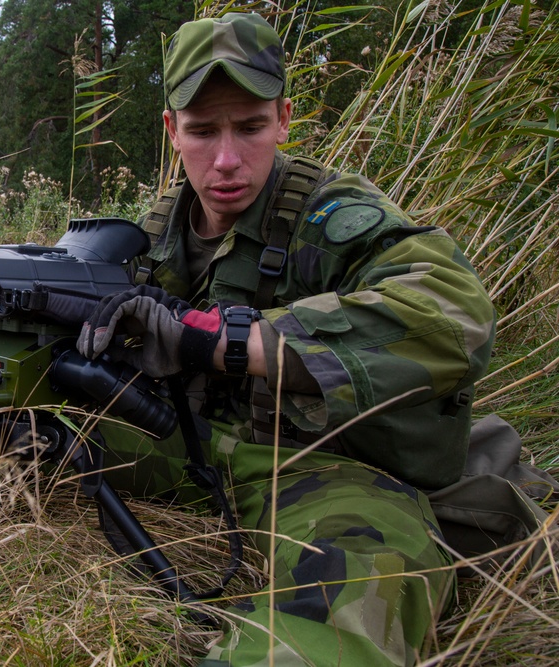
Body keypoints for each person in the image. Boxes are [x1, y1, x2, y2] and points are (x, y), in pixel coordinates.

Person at [74, 13, 496, 667]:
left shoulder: (331, 215)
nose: (225, 159)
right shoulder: (155, 231)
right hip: (195, 444)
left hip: (328, 472)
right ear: (170, 132)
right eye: (202, 130)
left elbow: (455, 316)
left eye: (249, 127)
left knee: (364, 577)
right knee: (14, 424)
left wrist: (219, 340)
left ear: (284, 120)